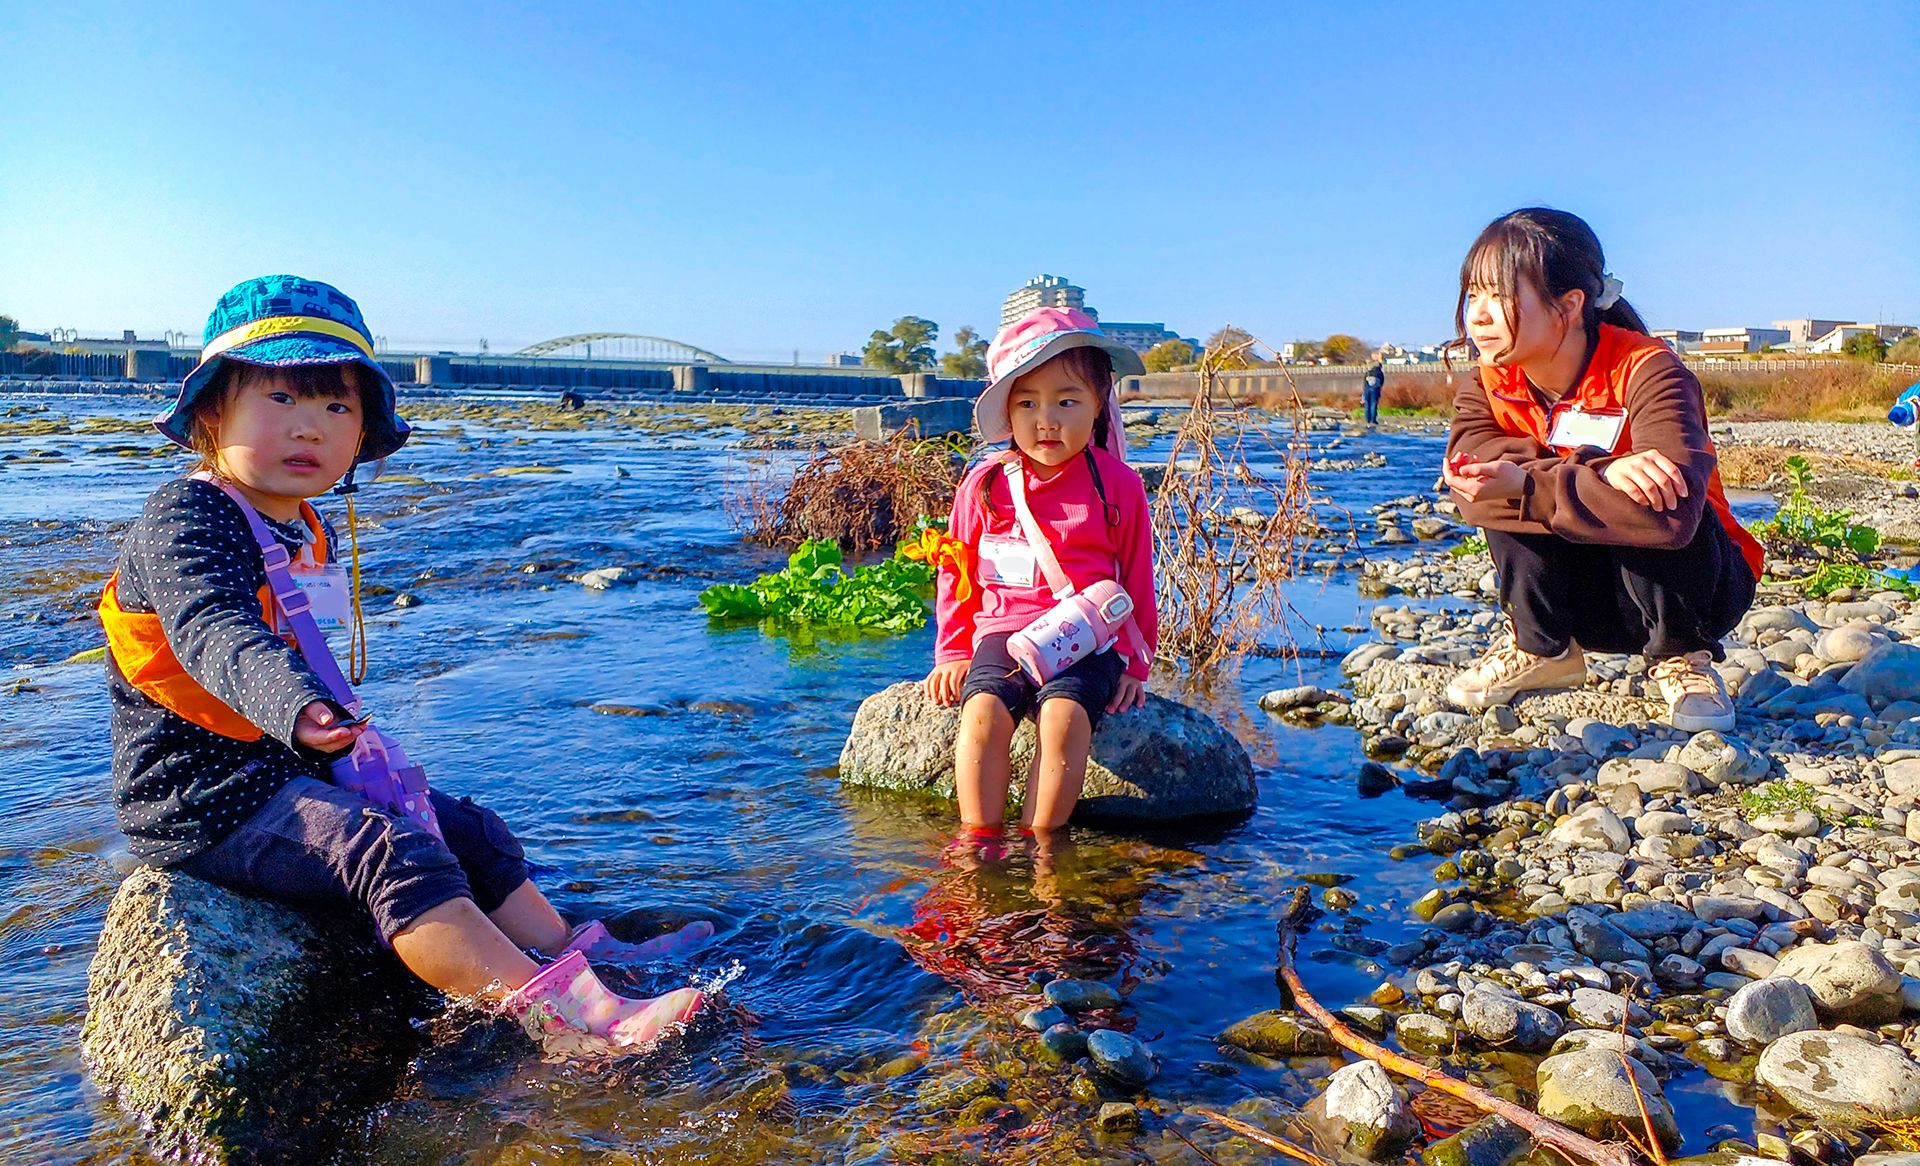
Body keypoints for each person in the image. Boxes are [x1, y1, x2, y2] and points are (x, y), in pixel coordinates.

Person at [100, 275, 710, 1058]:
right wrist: (295, 706)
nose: (310, 428)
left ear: (364, 433)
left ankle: (571, 950)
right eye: (282, 400)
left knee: (467, 832)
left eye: (337, 407)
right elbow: (212, 630)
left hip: (290, 768)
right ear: (213, 410)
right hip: (204, 796)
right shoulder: (187, 515)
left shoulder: (299, 522)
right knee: (393, 851)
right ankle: (566, 1020)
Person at [1440, 209, 1763, 733]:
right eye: (1472, 294)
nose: (1477, 315)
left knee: (1656, 496)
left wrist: (1532, 479)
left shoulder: (1649, 369)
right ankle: (1543, 647)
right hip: (1584, 600)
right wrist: (1600, 472)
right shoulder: (1487, 383)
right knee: (1507, 493)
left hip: (1700, 588)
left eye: (1499, 296)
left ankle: (1684, 657)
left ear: (1568, 305)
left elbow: (1675, 520)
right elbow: (1473, 483)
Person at [920, 308, 1159, 841]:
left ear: (1100, 405)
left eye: (1066, 401)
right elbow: (957, 574)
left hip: (1087, 638)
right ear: (1006, 410)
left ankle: (1042, 843)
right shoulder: (985, 484)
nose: (1046, 419)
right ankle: (979, 841)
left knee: (1064, 720)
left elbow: (1137, 577)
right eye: (1027, 403)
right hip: (1004, 631)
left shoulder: (1117, 484)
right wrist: (954, 652)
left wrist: (1135, 666)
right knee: (982, 712)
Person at [1362, 361, 1385, 426]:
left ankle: (1367, 419)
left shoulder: (1368, 372)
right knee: (1373, 404)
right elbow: (1381, 382)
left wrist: (1364, 390)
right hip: (1375, 389)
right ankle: (1373, 420)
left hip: (1367, 389)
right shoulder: (1380, 373)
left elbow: (1364, 381)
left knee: (1367, 404)